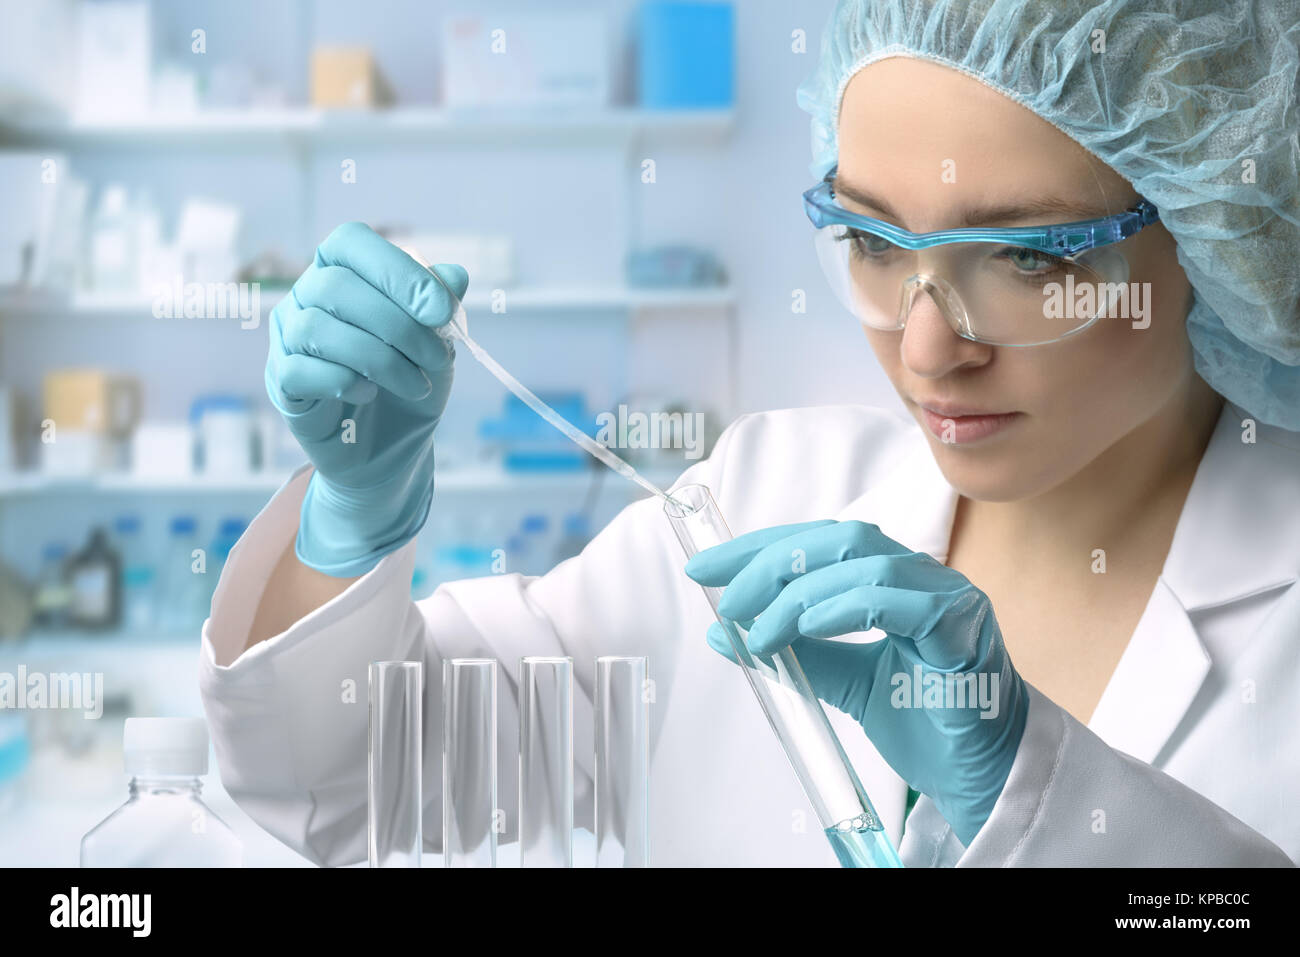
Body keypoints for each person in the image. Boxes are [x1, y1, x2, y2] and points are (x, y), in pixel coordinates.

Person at [198, 0, 1299, 866]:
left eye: (1027, 259)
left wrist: (1032, 794)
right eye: (870, 240)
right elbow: (350, 787)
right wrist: (351, 520)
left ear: (1221, 231)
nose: (925, 351)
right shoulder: (757, 499)